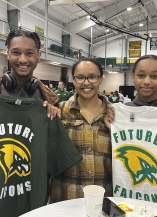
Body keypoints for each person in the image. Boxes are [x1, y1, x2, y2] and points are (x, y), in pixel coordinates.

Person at [50, 58, 114, 203]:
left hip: (104, 202)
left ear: (100, 78)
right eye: (80, 77)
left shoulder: (116, 115)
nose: (86, 83)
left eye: (92, 77)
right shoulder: (58, 111)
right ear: (73, 80)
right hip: (65, 200)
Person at [0, 29, 59, 118]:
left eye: (29, 53)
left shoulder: (49, 100)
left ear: (38, 56)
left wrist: (54, 116)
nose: (22, 59)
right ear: (8, 54)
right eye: (16, 53)